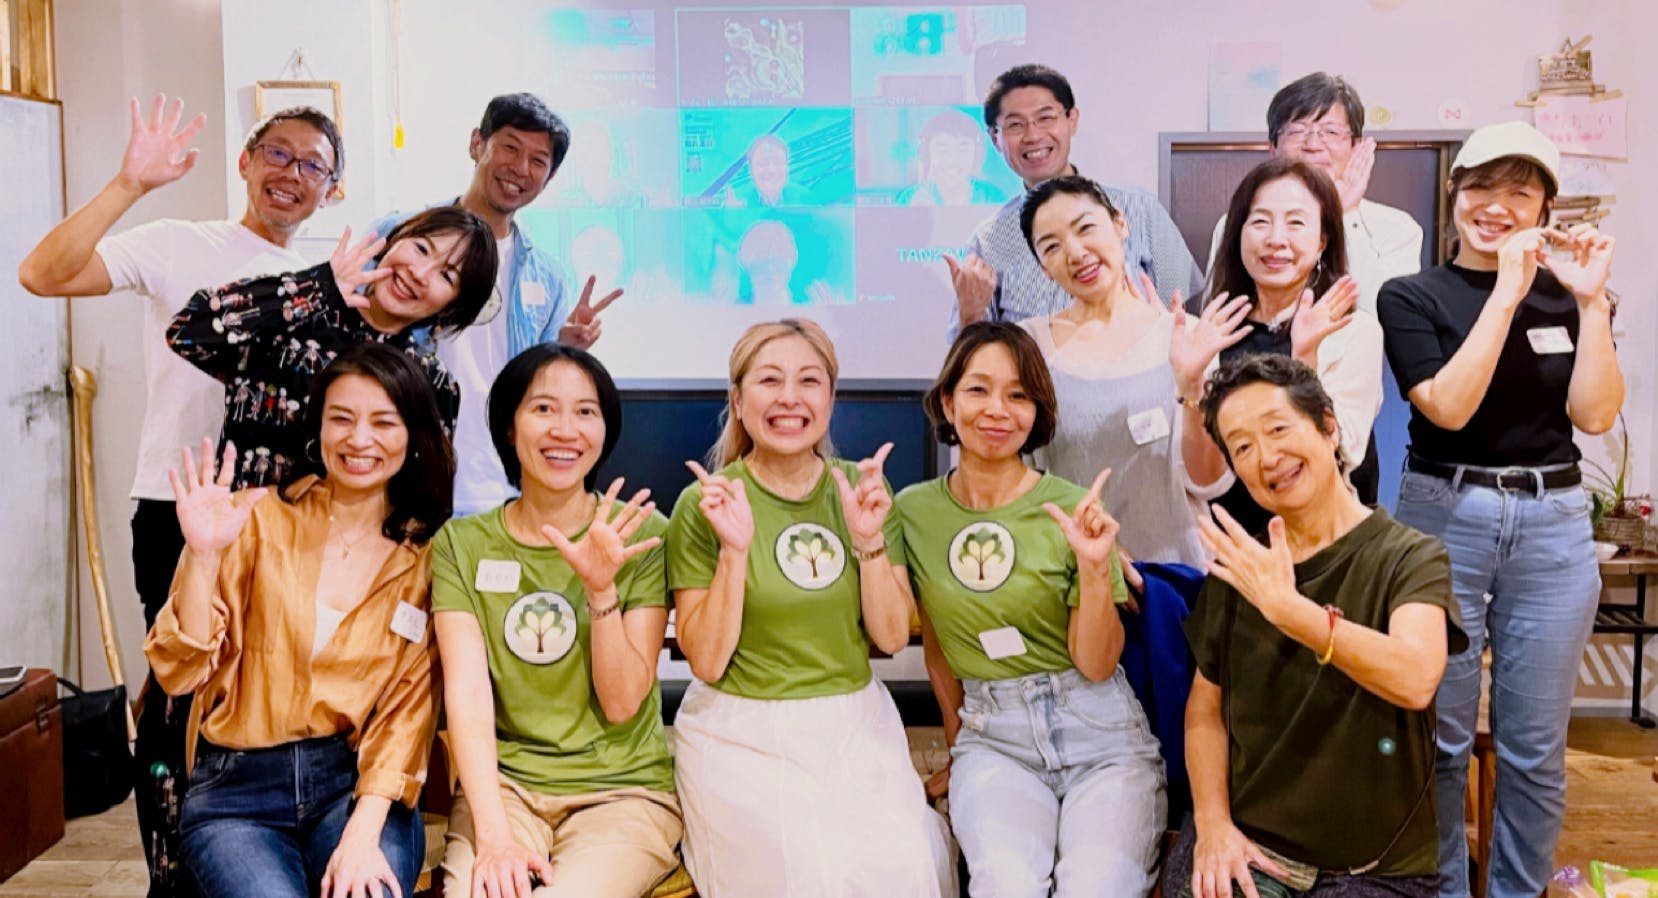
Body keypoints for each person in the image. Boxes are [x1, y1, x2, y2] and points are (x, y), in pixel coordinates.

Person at [16, 95, 340, 896]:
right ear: (246, 161)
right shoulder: (178, 243)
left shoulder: (333, 277)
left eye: (314, 165)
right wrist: (130, 183)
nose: (292, 174)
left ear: (332, 190)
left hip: (286, 520)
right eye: (279, 153)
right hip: (179, 511)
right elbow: (41, 273)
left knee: (265, 702)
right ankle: (170, 877)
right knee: (174, 701)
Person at [1377, 121, 1622, 898]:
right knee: (1439, 738)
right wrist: (1507, 293)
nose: (1497, 205)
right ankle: (1443, 889)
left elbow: (1595, 415)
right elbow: (1446, 407)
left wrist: (1592, 304)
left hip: (1553, 523)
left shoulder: (1571, 297)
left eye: (1521, 192)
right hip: (1444, 514)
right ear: (1455, 192)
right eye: (1481, 185)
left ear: (1545, 208)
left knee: (1533, 749)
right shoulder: (1411, 295)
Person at [144, 343, 452, 898]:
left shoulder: (425, 558)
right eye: (342, 419)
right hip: (236, 789)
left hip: (354, 787)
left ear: (412, 437)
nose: (360, 439)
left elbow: (407, 715)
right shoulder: (254, 518)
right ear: (318, 429)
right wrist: (203, 557)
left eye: (384, 422)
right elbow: (178, 671)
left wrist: (362, 835)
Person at [665, 319, 954, 897]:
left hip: (854, 723)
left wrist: (868, 540)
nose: (790, 398)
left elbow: (891, 637)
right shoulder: (705, 502)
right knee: (806, 873)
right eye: (770, 381)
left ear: (830, 398)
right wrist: (734, 552)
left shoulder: (864, 489)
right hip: (739, 731)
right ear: (738, 402)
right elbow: (707, 661)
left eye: (809, 381)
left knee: (905, 866)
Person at [1166, 353, 1464, 898]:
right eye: (1242, 448)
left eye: (1278, 429)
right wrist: (1212, 823)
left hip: (1373, 868)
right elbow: (1203, 714)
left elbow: (1416, 677)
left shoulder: (1410, 556)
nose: (1267, 457)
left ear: (1329, 426)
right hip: (1252, 845)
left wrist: (1291, 611)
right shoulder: (1242, 568)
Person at [898, 321, 1166, 897]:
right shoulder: (912, 512)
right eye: (978, 389)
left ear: (1036, 412)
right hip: (994, 738)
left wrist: (1094, 569)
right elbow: (939, 646)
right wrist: (958, 748)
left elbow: (1097, 664)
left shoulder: (1074, 509)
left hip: (1101, 732)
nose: (998, 409)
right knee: (1004, 884)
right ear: (948, 402)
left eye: (1018, 395)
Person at [431, 344, 682, 898]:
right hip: (505, 793)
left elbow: (622, 703)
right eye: (543, 408)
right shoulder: (462, 544)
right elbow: (467, 694)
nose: (565, 430)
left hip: (622, 794)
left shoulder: (642, 534)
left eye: (585, 411)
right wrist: (494, 839)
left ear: (605, 430)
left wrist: (601, 588)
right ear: (509, 426)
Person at [371, 93, 622, 516]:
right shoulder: (402, 232)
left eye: (538, 161)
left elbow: (537, 387)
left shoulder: (548, 275)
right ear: (477, 144)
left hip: (500, 485)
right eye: (509, 147)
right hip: (403, 475)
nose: (520, 169)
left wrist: (563, 346)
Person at [167, 205, 496, 489]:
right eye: (421, 249)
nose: (419, 273)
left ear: (454, 306)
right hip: (244, 531)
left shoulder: (432, 381)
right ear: (395, 239)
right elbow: (187, 332)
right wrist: (319, 285)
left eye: (446, 276)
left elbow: (425, 495)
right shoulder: (296, 314)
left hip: (352, 542)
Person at [1017, 175, 1244, 567]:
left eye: (1085, 228)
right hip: (1072, 573)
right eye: (1052, 247)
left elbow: (1207, 482)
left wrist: (1192, 387)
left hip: (1176, 575)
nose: (1076, 253)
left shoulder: (1182, 336)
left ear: (1120, 224)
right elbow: (1023, 481)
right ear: (1044, 267)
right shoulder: (1030, 346)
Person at [944, 64, 1204, 342]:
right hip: (1037, 371)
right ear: (995, 138)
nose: (1033, 136)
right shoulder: (988, 241)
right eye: (1015, 125)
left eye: (1045, 118)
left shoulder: (1140, 209)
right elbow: (972, 355)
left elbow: (1187, 310)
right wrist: (969, 315)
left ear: (1072, 120)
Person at [1205, 158, 1384, 528]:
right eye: (1260, 221)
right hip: (1233, 535)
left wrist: (1304, 355)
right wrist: (1188, 381)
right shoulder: (1213, 328)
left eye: (1296, 223)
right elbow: (1200, 471)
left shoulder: (1353, 330)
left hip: (1327, 538)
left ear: (1322, 242)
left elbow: (1342, 452)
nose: (1276, 239)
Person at [1206, 73, 1422, 316]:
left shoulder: (1397, 229)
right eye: (1297, 131)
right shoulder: (1239, 223)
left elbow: (1382, 318)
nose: (1313, 145)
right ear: (1273, 147)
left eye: (1330, 132)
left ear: (1355, 145)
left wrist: (1342, 215)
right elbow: (1216, 313)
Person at [898, 108, 1007, 207]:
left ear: (976, 154)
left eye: (963, 149)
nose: (952, 160)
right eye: (942, 150)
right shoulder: (909, 199)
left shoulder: (992, 197)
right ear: (927, 154)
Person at [723, 134, 813, 208]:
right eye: (763, 163)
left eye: (778, 162)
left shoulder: (804, 197)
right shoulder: (737, 201)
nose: (771, 170)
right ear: (751, 169)